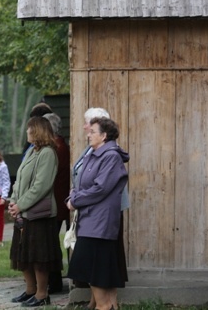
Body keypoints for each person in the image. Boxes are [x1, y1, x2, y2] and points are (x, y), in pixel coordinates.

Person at [67, 117, 129, 310]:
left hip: (99, 225)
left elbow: (100, 188)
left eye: (93, 131)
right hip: (89, 221)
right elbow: (80, 183)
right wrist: (72, 196)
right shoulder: (93, 154)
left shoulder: (110, 156)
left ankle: (105, 307)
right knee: (95, 275)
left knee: (97, 277)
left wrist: (75, 201)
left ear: (104, 135)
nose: (88, 134)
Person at [8, 117, 62, 307]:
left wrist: (20, 205)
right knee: (24, 255)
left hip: (39, 215)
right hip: (24, 213)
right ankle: (30, 290)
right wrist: (13, 201)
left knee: (39, 257)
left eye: (29, 128)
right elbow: (19, 179)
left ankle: (41, 294)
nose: (26, 132)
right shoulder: (31, 151)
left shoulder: (47, 153)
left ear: (37, 130)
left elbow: (41, 186)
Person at [43, 112, 70, 294]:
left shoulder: (57, 148)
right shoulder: (58, 146)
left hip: (56, 203)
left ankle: (54, 283)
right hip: (58, 202)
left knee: (50, 243)